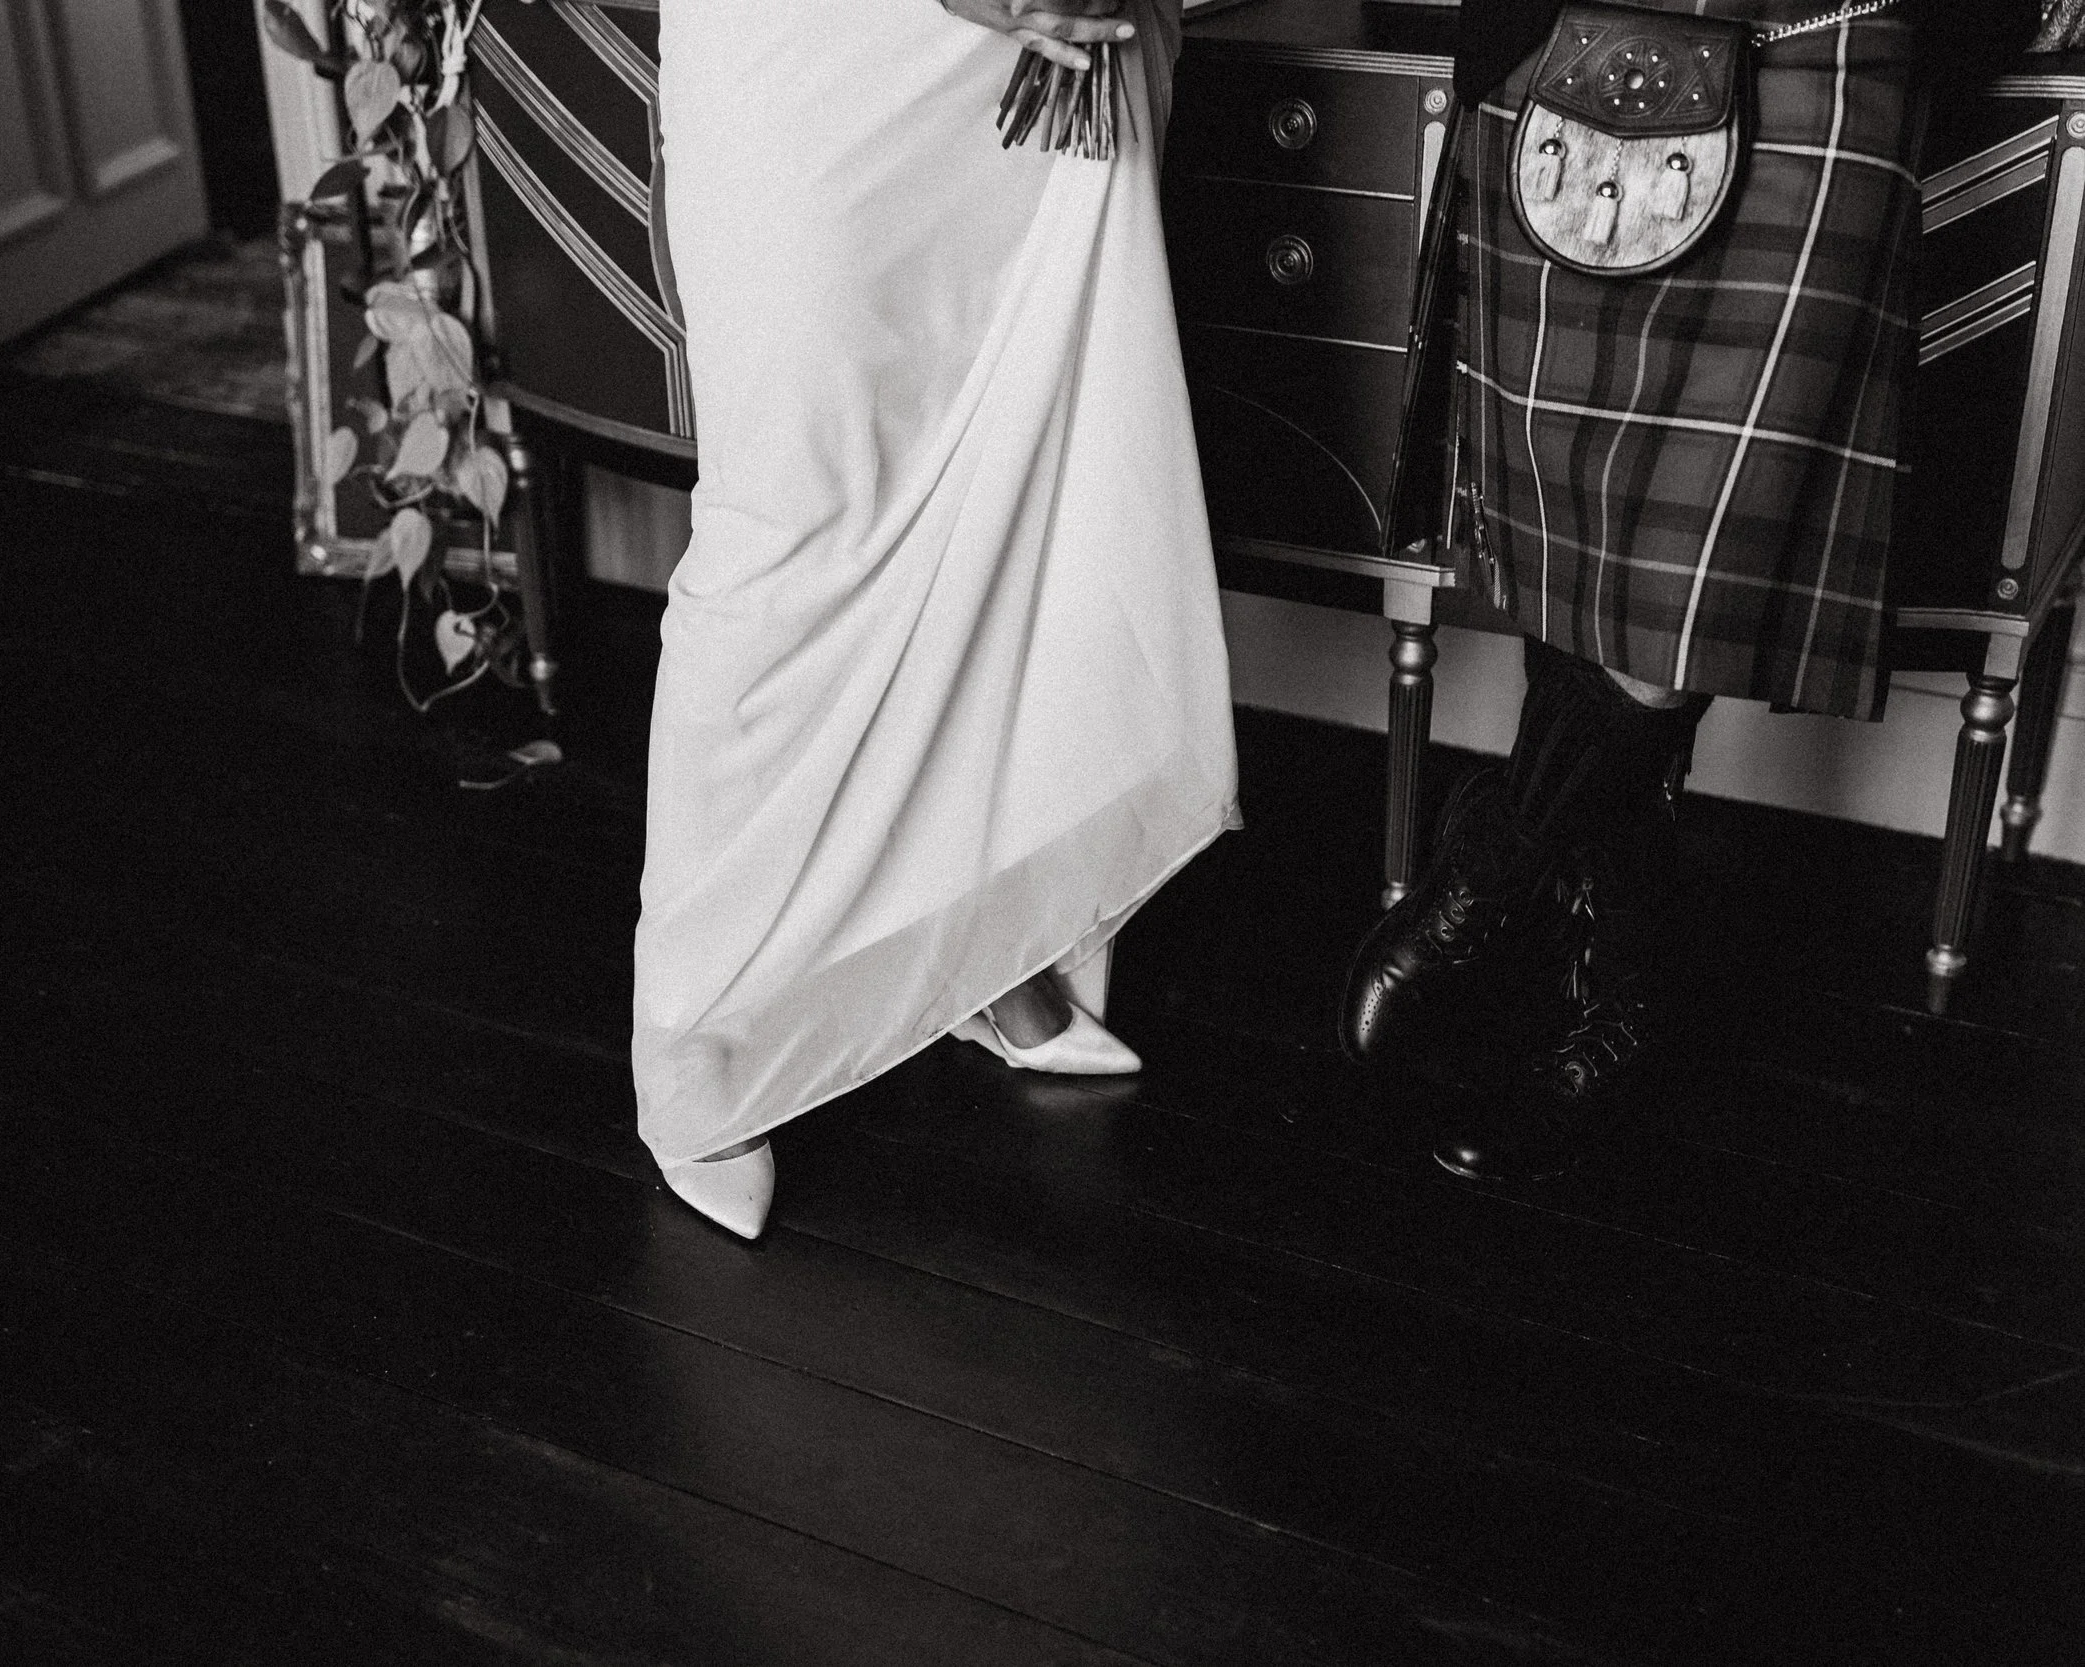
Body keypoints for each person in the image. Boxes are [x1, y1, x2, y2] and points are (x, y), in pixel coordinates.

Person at [1342, 0, 2043, 1180]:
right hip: (1564, 60)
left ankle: (1479, 882)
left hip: (1824, 61)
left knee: (1687, 593)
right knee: (1583, 561)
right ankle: (1617, 1015)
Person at [636, 0, 1241, 1236]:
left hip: (1041, 50)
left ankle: (994, 940)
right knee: (789, 506)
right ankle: (697, 1035)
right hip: (809, 44)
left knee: (1039, 471)